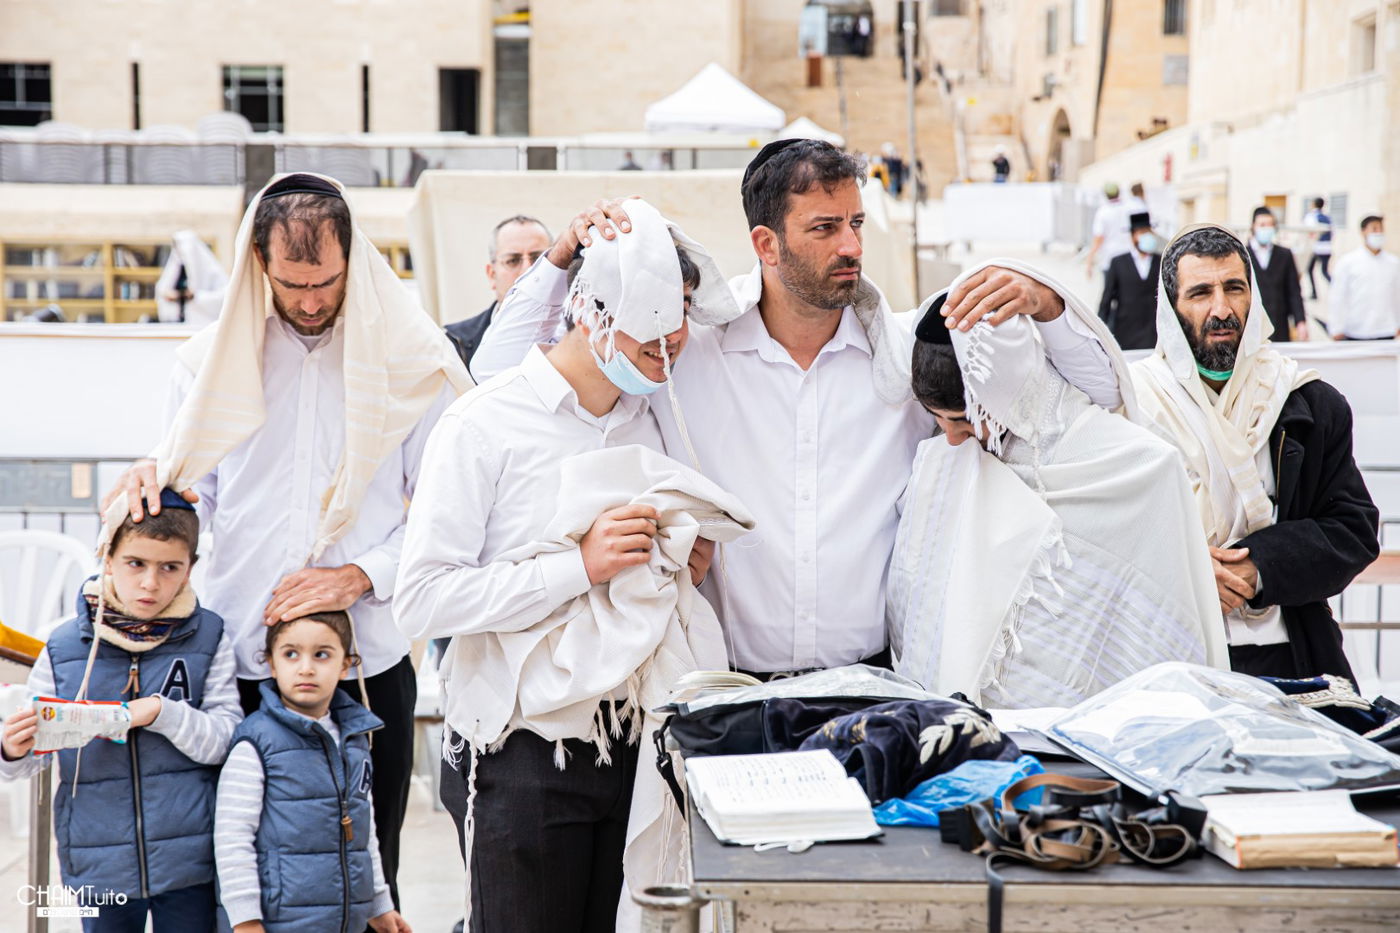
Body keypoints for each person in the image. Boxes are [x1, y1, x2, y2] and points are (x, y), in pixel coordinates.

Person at [472, 139, 1121, 682]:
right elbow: (496, 374)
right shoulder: (684, 356)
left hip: (876, 689)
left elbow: (1099, 400)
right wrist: (563, 252)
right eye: (824, 228)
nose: (851, 246)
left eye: (856, 224)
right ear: (767, 243)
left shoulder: (905, 358)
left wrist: (1047, 303)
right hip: (722, 687)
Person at [100, 172, 472, 911]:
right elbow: (194, 499)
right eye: (291, 283)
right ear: (258, 264)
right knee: (238, 878)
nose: (307, 301)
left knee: (368, 876)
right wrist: (156, 478)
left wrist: (358, 575)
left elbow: (449, 514)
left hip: (364, 665)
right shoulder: (204, 363)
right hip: (238, 660)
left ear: (353, 259)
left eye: (324, 282)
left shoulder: (414, 361)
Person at [395, 200, 751, 932]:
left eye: (683, 316)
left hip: (636, 744)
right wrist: (579, 566)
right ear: (590, 311)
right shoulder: (483, 423)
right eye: (655, 322)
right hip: (520, 751)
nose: (674, 341)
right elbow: (422, 599)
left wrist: (681, 561)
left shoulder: (653, 419)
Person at [890, 263, 1226, 708]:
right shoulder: (940, 463)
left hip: (1091, 722)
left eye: (964, 422)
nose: (950, 437)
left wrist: (1046, 301)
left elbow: (1152, 615)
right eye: (937, 419)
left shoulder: (1135, 464)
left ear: (1003, 396)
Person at [1130, 224, 1379, 682]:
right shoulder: (1131, 408)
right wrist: (1184, 568)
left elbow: (1352, 531)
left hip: (1290, 657)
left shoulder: (1308, 403)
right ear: (1170, 309)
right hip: (1164, 658)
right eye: (1200, 293)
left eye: (1234, 288)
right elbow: (1100, 537)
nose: (1221, 309)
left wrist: (1258, 567)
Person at [0, 493, 241, 932]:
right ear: (107, 558)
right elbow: (28, 762)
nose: (150, 583)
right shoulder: (63, 647)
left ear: (190, 567)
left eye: (170, 567)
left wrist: (161, 713)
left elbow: (226, 741)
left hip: (192, 862)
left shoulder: (210, 637)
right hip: (96, 858)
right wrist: (12, 749)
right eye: (136, 563)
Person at [216, 611, 411, 933]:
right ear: (271, 664)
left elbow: (365, 831)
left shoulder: (355, 739)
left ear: (345, 665)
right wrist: (245, 919)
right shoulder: (255, 743)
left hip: (345, 921)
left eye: (322, 655)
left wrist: (379, 902)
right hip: (280, 922)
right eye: (291, 654)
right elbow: (232, 837)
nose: (306, 668)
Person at [444, 215, 551, 375]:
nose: (527, 270)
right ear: (492, 274)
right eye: (513, 260)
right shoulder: (455, 342)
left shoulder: (580, 334)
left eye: (538, 258)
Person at [1330, 214, 1400, 341]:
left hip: (1386, 329)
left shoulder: (1393, 263)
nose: (1378, 233)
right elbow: (1338, 296)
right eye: (1374, 229)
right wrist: (1336, 327)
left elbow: (1397, 295)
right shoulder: (1348, 262)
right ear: (1363, 232)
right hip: (1356, 330)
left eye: (1381, 229)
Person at [1098, 211, 1162, 350]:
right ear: (1133, 236)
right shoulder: (1118, 263)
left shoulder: (1162, 261)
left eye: (1148, 232)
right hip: (1125, 332)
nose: (1146, 236)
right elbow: (1107, 299)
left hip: (1154, 334)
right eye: (1141, 232)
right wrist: (1099, 331)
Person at [1247, 206, 1308, 342]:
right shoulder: (1243, 255)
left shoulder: (1285, 254)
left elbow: (1294, 291)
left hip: (1279, 325)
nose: (1266, 229)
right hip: (1252, 327)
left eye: (1270, 225)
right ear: (1253, 227)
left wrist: (1300, 321)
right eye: (1262, 225)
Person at [155, 230, 227, 326]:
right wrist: (169, 295)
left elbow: (223, 297)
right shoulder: (176, 267)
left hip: (202, 322)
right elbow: (162, 290)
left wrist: (196, 296)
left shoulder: (212, 270)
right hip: (177, 323)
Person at [1085, 182, 1133, 278]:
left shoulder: (1103, 212)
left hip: (1109, 258)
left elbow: (1098, 238)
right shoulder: (1128, 209)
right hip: (1128, 256)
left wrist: (1089, 260)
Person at [1303, 197, 1333, 300]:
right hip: (1327, 247)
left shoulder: (1311, 216)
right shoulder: (1327, 218)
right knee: (1324, 271)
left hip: (1316, 248)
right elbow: (1332, 233)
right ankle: (1336, 288)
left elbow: (1308, 232)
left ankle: (1314, 293)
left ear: (1313, 204)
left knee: (1310, 270)